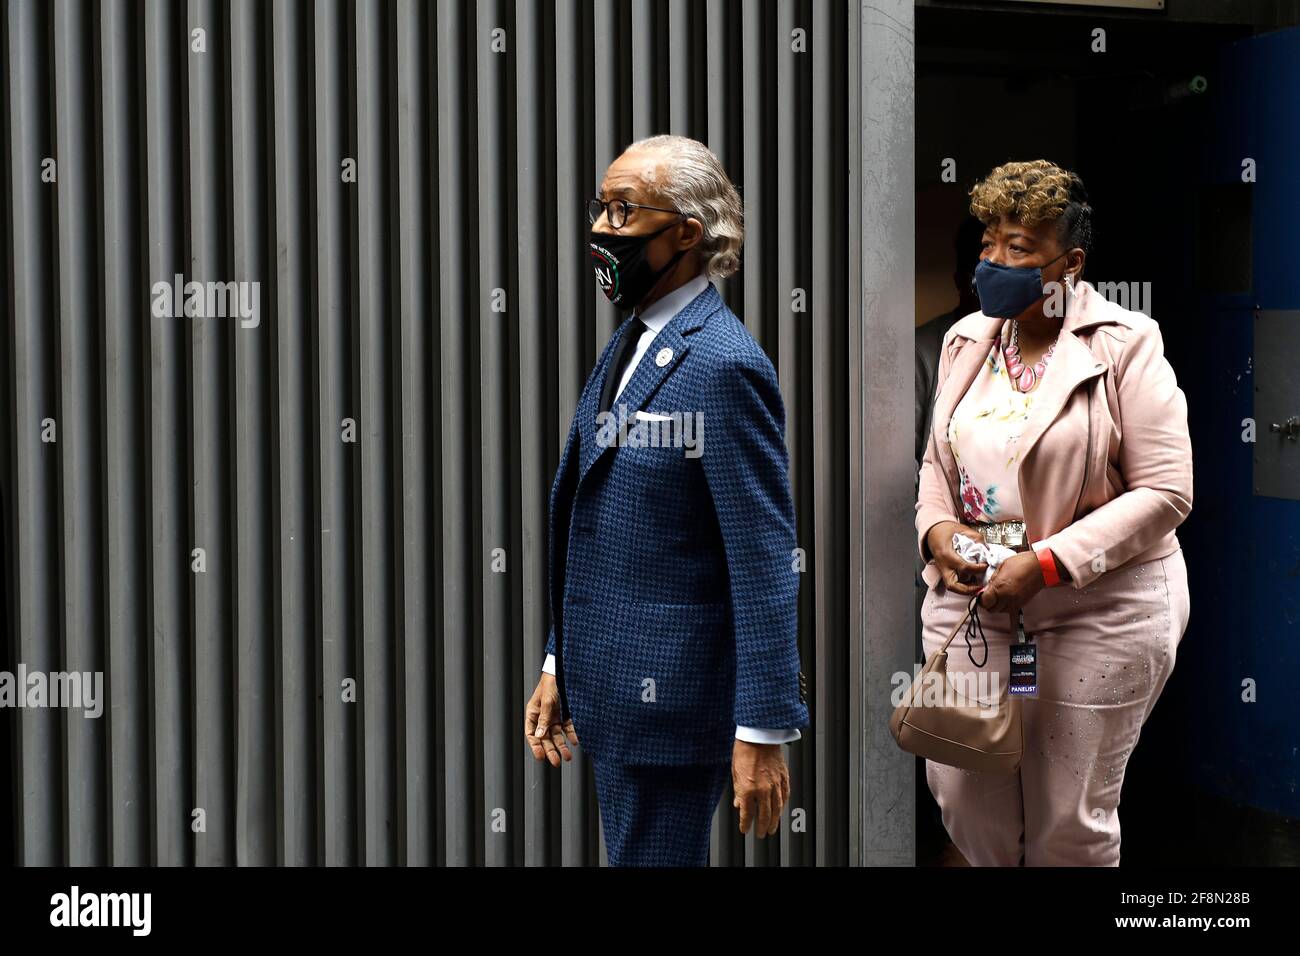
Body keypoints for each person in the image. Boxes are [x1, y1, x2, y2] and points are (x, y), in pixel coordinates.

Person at [524, 134, 809, 866]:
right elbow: (602, 532)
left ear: (686, 232)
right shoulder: (633, 340)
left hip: (674, 708)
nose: (601, 230)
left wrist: (763, 730)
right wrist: (561, 664)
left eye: (623, 212)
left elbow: (763, 559)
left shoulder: (722, 363)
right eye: (601, 207)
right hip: (611, 693)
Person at [915, 159, 1193, 866]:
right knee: (966, 798)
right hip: (978, 608)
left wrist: (1045, 563)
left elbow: (1166, 492)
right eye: (988, 242)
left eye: (1019, 248)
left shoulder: (1127, 344)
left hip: (1096, 611)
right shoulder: (966, 341)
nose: (994, 261)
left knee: (1067, 822)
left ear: (1069, 263)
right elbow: (936, 466)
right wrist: (937, 530)